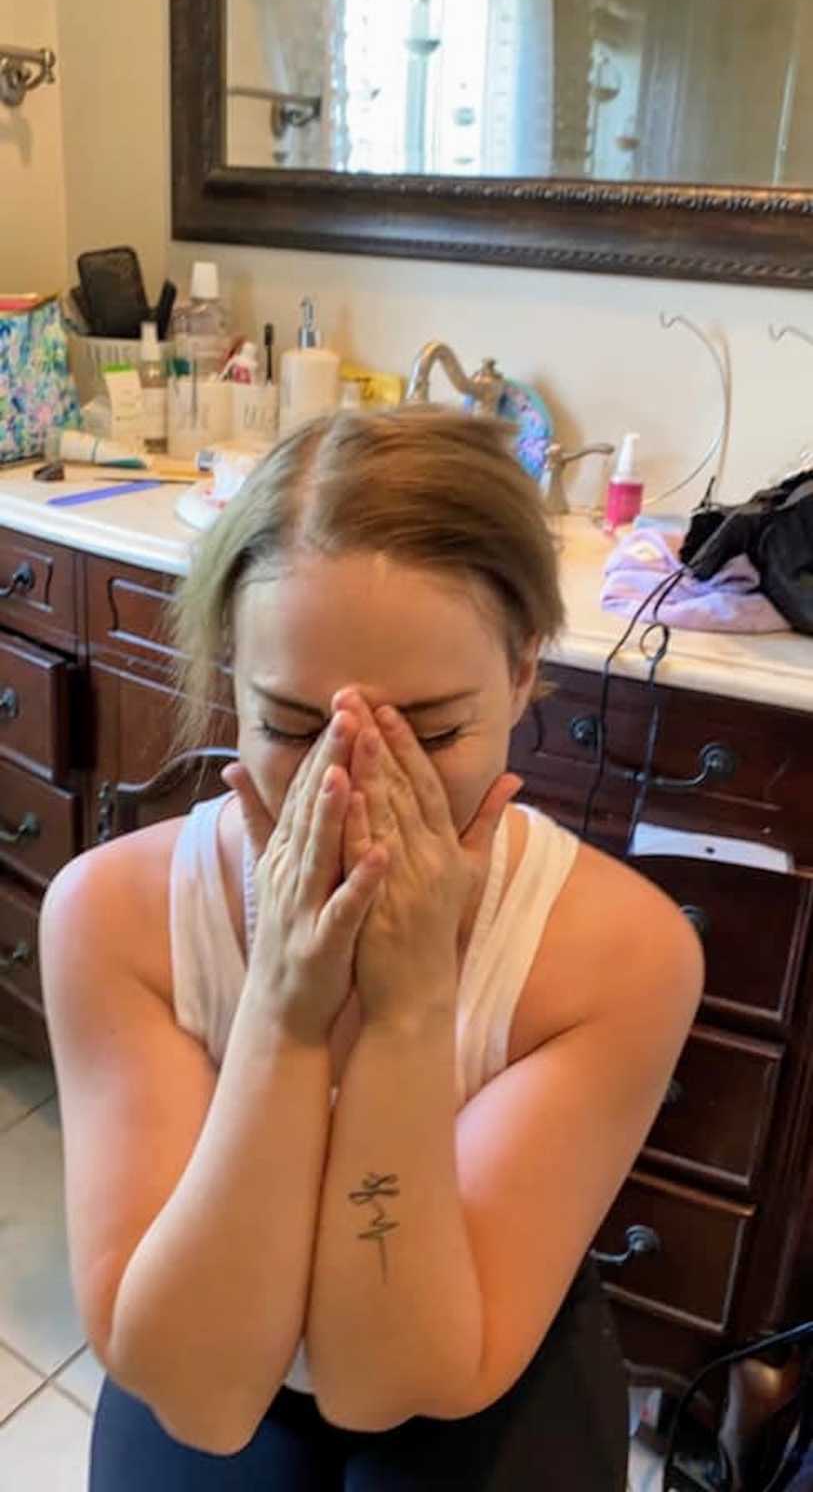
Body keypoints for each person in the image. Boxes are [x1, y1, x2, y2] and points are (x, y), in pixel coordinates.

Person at [40, 407, 702, 1490]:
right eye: (294, 726)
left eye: (431, 734)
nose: (348, 786)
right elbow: (202, 1397)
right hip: (214, 1338)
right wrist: (286, 1012)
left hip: (475, 1354)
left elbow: (385, 1380)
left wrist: (404, 1017)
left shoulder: (624, 953)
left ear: (525, 676)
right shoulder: (109, 914)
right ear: (230, 683)